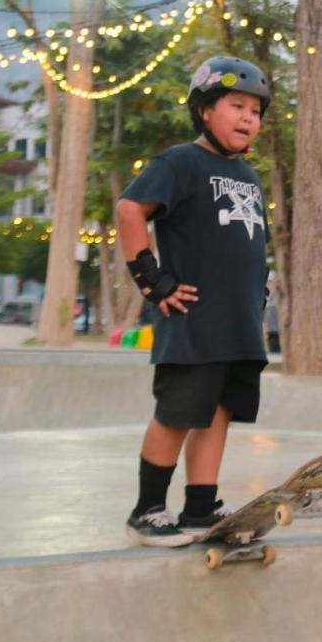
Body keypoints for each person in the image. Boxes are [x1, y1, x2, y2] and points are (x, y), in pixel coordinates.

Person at [117, 56, 272, 546]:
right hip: (192, 318)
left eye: (256, 110)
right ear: (205, 109)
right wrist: (153, 281)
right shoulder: (181, 162)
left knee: (219, 411)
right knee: (179, 413)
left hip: (238, 322)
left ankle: (200, 509)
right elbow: (128, 209)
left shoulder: (248, 175)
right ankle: (147, 510)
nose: (249, 118)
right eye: (236, 106)